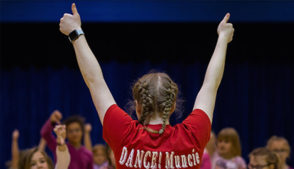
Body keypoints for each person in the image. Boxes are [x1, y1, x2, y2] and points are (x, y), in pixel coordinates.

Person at [59, 3, 234, 169]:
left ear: (138, 106)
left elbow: (95, 81)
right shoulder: (192, 136)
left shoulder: (125, 134)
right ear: (172, 106)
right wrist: (223, 39)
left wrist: (75, 32)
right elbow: (211, 85)